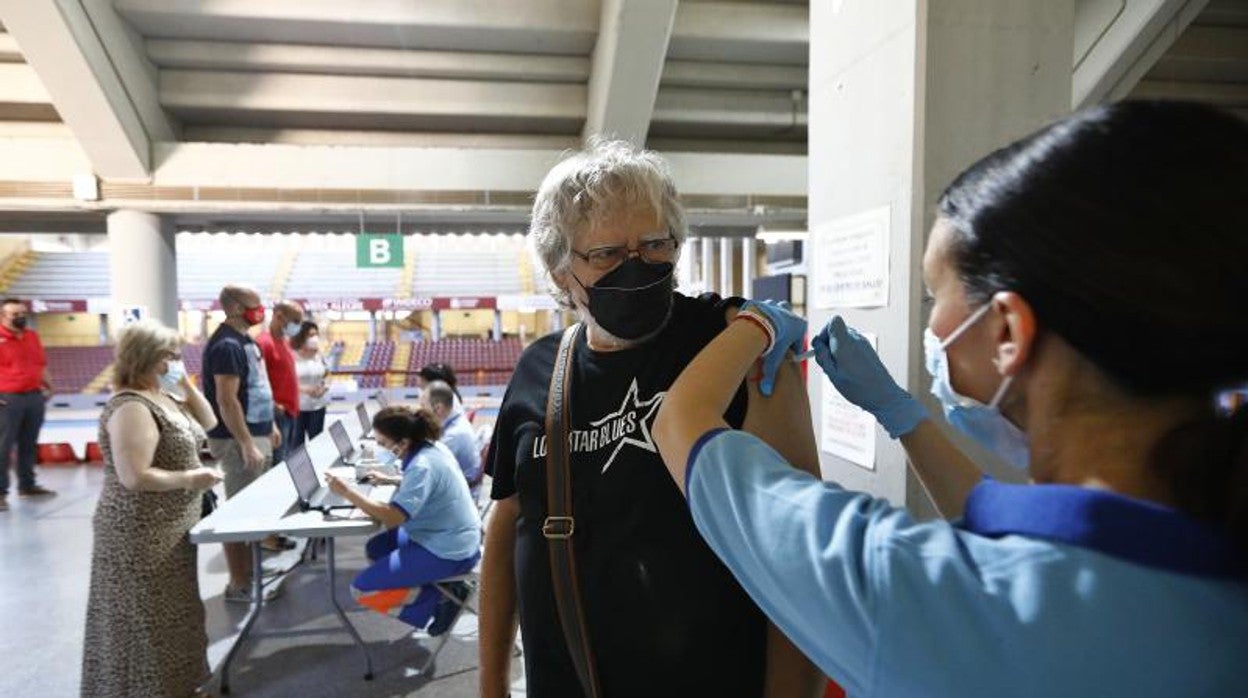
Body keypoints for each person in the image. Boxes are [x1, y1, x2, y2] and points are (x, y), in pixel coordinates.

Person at [653, 101, 1248, 697]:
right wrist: (901, 415)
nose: (933, 326)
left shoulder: (912, 593)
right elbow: (1008, 533)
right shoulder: (1203, 559)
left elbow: (680, 424)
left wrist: (755, 326)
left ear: (1009, 332)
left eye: (934, 294)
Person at [479, 140, 822, 697]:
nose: (636, 266)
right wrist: (491, 682)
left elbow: (798, 552)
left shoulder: (736, 347)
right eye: (607, 254)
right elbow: (509, 525)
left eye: (656, 244)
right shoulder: (539, 370)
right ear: (561, 272)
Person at [82, 320, 222, 698]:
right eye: (170, 356)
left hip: (171, 526)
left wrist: (186, 384)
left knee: (178, 615)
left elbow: (210, 421)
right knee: (145, 621)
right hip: (139, 530)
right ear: (148, 358)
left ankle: (180, 686)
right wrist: (191, 479)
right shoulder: (130, 406)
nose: (178, 360)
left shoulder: (164, 396)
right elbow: (134, 476)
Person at [324, 406, 481, 635]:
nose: (381, 448)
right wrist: (393, 480)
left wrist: (347, 492)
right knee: (376, 548)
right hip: (450, 534)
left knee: (362, 590)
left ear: (403, 442)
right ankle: (443, 588)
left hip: (448, 550)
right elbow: (426, 486)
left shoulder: (421, 466)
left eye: (384, 443)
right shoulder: (431, 448)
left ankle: (441, 599)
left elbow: (393, 517)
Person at [202, 285, 282, 602]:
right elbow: (227, 400)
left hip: (258, 432)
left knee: (257, 510)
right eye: (254, 305)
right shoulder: (226, 345)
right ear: (235, 308)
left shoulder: (246, 341)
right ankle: (238, 583)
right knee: (239, 512)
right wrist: (247, 442)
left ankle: (252, 572)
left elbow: (257, 386)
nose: (260, 310)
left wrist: (270, 424)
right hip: (238, 440)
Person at [0, 298, 55, 510]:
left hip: (34, 396)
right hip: (7, 398)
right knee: (3, 447)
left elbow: (40, 365)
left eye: (23, 313)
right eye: (15, 314)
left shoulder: (32, 337)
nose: (21, 317)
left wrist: (50, 386)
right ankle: (0, 492)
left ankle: (27, 485)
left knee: (28, 444)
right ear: (3, 316)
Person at [256, 300, 304, 465]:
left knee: (287, 462)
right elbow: (257, 380)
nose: (298, 326)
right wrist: (274, 405)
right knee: (278, 465)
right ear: (279, 316)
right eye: (296, 321)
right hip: (277, 415)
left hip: (290, 413)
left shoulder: (284, 342)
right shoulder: (263, 343)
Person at [421, 379, 482, 500]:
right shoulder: (456, 421)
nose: (420, 411)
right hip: (458, 490)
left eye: (423, 406)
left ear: (438, 408)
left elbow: (423, 473)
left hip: (456, 499)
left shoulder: (452, 437)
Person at [292, 332, 329, 447]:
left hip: (318, 406)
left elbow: (327, 376)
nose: (314, 338)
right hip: (297, 408)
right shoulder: (291, 356)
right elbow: (285, 382)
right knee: (297, 448)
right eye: (310, 335)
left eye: (315, 334)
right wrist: (304, 390)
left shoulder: (319, 357)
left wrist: (324, 388)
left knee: (317, 446)